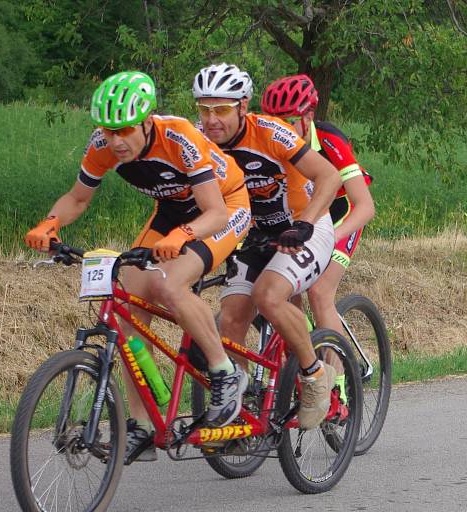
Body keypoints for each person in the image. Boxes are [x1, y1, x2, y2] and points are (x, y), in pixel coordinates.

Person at [24, 71, 252, 464]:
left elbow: (214, 212)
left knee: (170, 284)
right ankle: (142, 424)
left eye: (124, 130)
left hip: (225, 207)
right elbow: (77, 199)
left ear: (147, 122)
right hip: (172, 212)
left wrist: (183, 236)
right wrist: (51, 223)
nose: (115, 141)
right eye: (108, 131)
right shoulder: (103, 145)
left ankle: (226, 373)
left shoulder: (179, 136)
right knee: (126, 305)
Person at [192, 63, 342, 430]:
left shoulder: (270, 132)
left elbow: (329, 176)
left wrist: (305, 221)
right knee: (231, 317)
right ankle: (239, 413)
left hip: (304, 228)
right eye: (205, 109)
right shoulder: (197, 141)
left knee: (269, 297)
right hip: (256, 234)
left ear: (243, 106)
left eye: (222, 109)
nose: (213, 119)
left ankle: (315, 377)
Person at [261, 75, 375, 372]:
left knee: (320, 291)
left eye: (287, 121)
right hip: (302, 220)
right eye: (273, 121)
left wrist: (329, 238)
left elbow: (365, 207)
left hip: (342, 215)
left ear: (307, 117)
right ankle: (298, 374)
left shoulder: (328, 139)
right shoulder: (268, 141)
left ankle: (337, 384)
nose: (279, 129)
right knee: (286, 287)